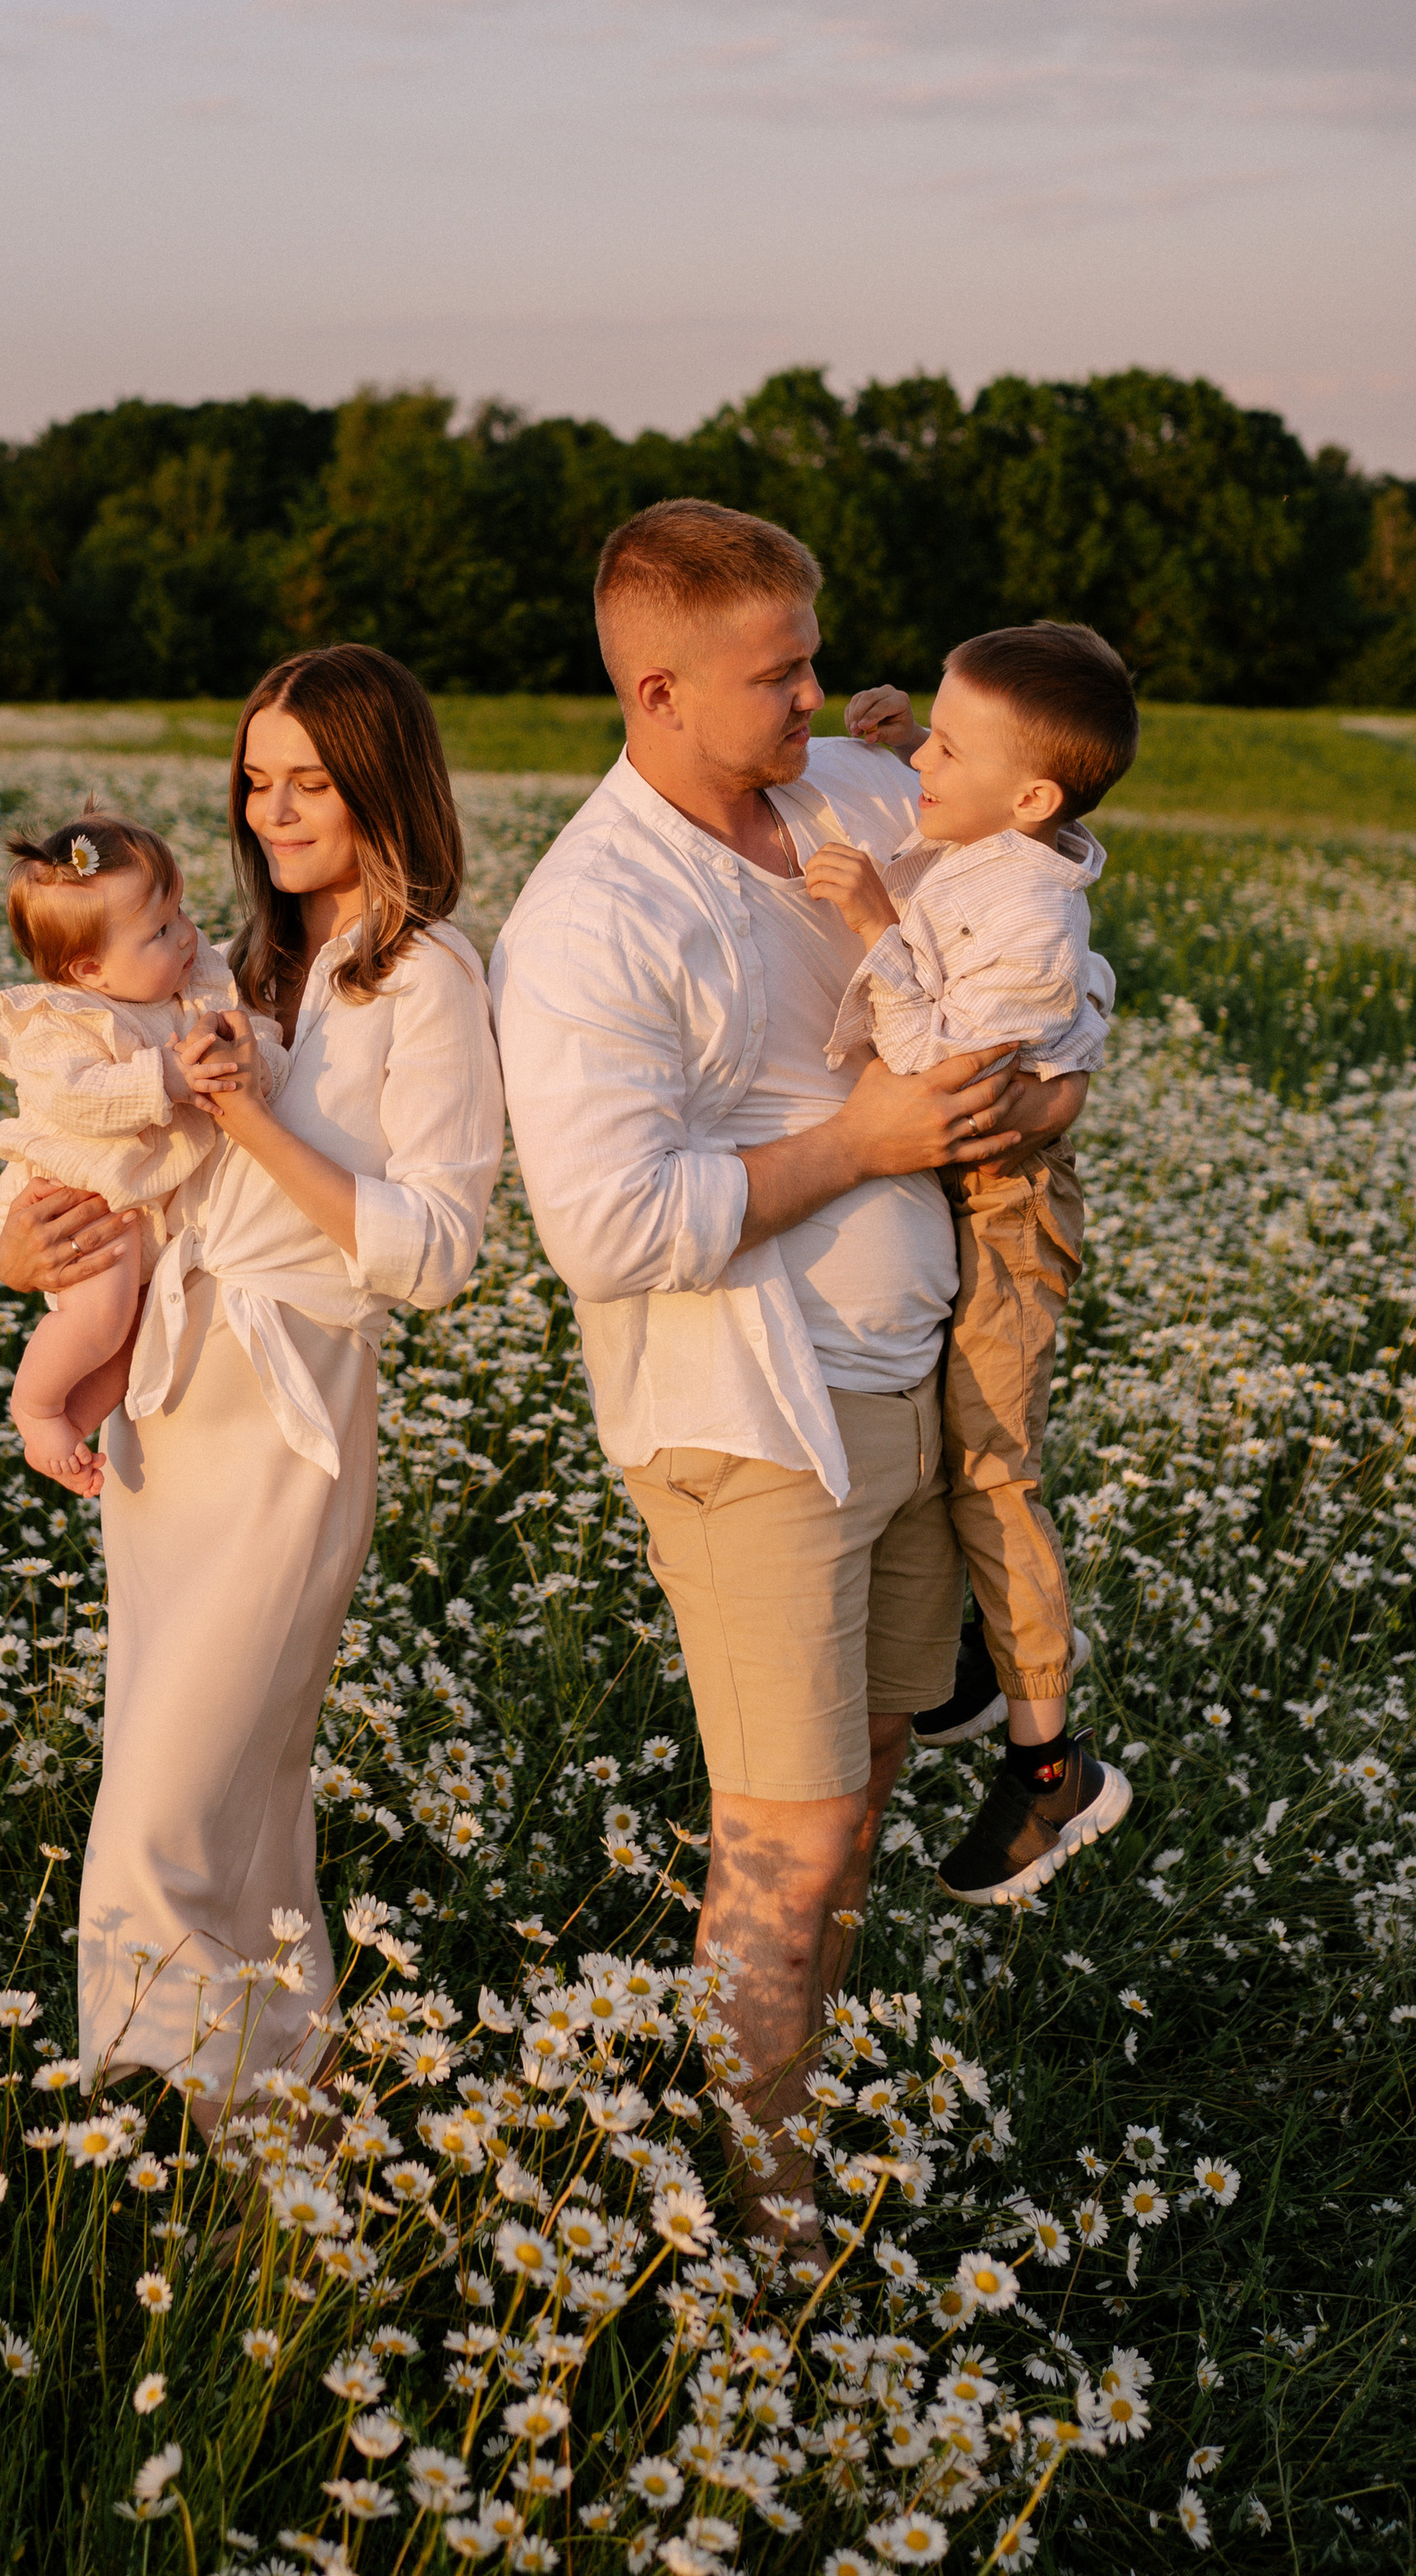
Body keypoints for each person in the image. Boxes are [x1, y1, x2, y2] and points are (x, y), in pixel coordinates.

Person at [490, 499, 1085, 2234]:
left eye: (815, 658)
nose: (821, 699)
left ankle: (781, 2099)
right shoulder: (591, 917)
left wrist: (1052, 1079)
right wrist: (868, 1135)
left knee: (872, 1772)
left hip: (898, 1387)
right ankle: (756, 2205)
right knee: (789, 1838)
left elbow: (1042, 931)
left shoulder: (835, 796)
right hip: (745, 1421)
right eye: (782, 674)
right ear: (658, 689)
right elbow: (603, 1229)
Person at [0, 646, 503, 2125]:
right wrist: (30, 1253)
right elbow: (105, 1146)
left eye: (313, 783)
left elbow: (438, 1250)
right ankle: (283, 2151)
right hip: (168, 1399)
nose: (275, 813)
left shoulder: (428, 977)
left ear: (383, 783)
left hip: (289, 1407)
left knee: (163, 1820)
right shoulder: (237, 961)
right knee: (250, 1819)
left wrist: (253, 1123)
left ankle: (138, 2161)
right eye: (257, 781)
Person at [805, 627, 1138, 1903]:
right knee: (938, 1445)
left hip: (1004, 1208)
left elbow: (955, 1070)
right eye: (926, 728)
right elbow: (972, 820)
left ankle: (1053, 1768)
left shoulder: (1039, 906)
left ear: (1035, 797)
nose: (922, 753)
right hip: (960, 1196)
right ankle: (967, 1671)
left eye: (948, 742)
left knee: (995, 1473)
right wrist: (905, 756)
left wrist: (878, 923)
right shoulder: (995, 842)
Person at [0, 810, 273, 1493]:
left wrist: (250, 1056)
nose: (188, 936)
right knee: (101, 1317)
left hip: (135, 1206)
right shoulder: (65, 1020)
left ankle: (71, 1430)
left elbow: (252, 1035)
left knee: (127, 1336)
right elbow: (77, 1099)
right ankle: (36, 1408)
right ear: (90, 969)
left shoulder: (183, 988)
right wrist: (168, 1077)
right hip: (82, 1196)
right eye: (162, 931)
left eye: (181, 913)